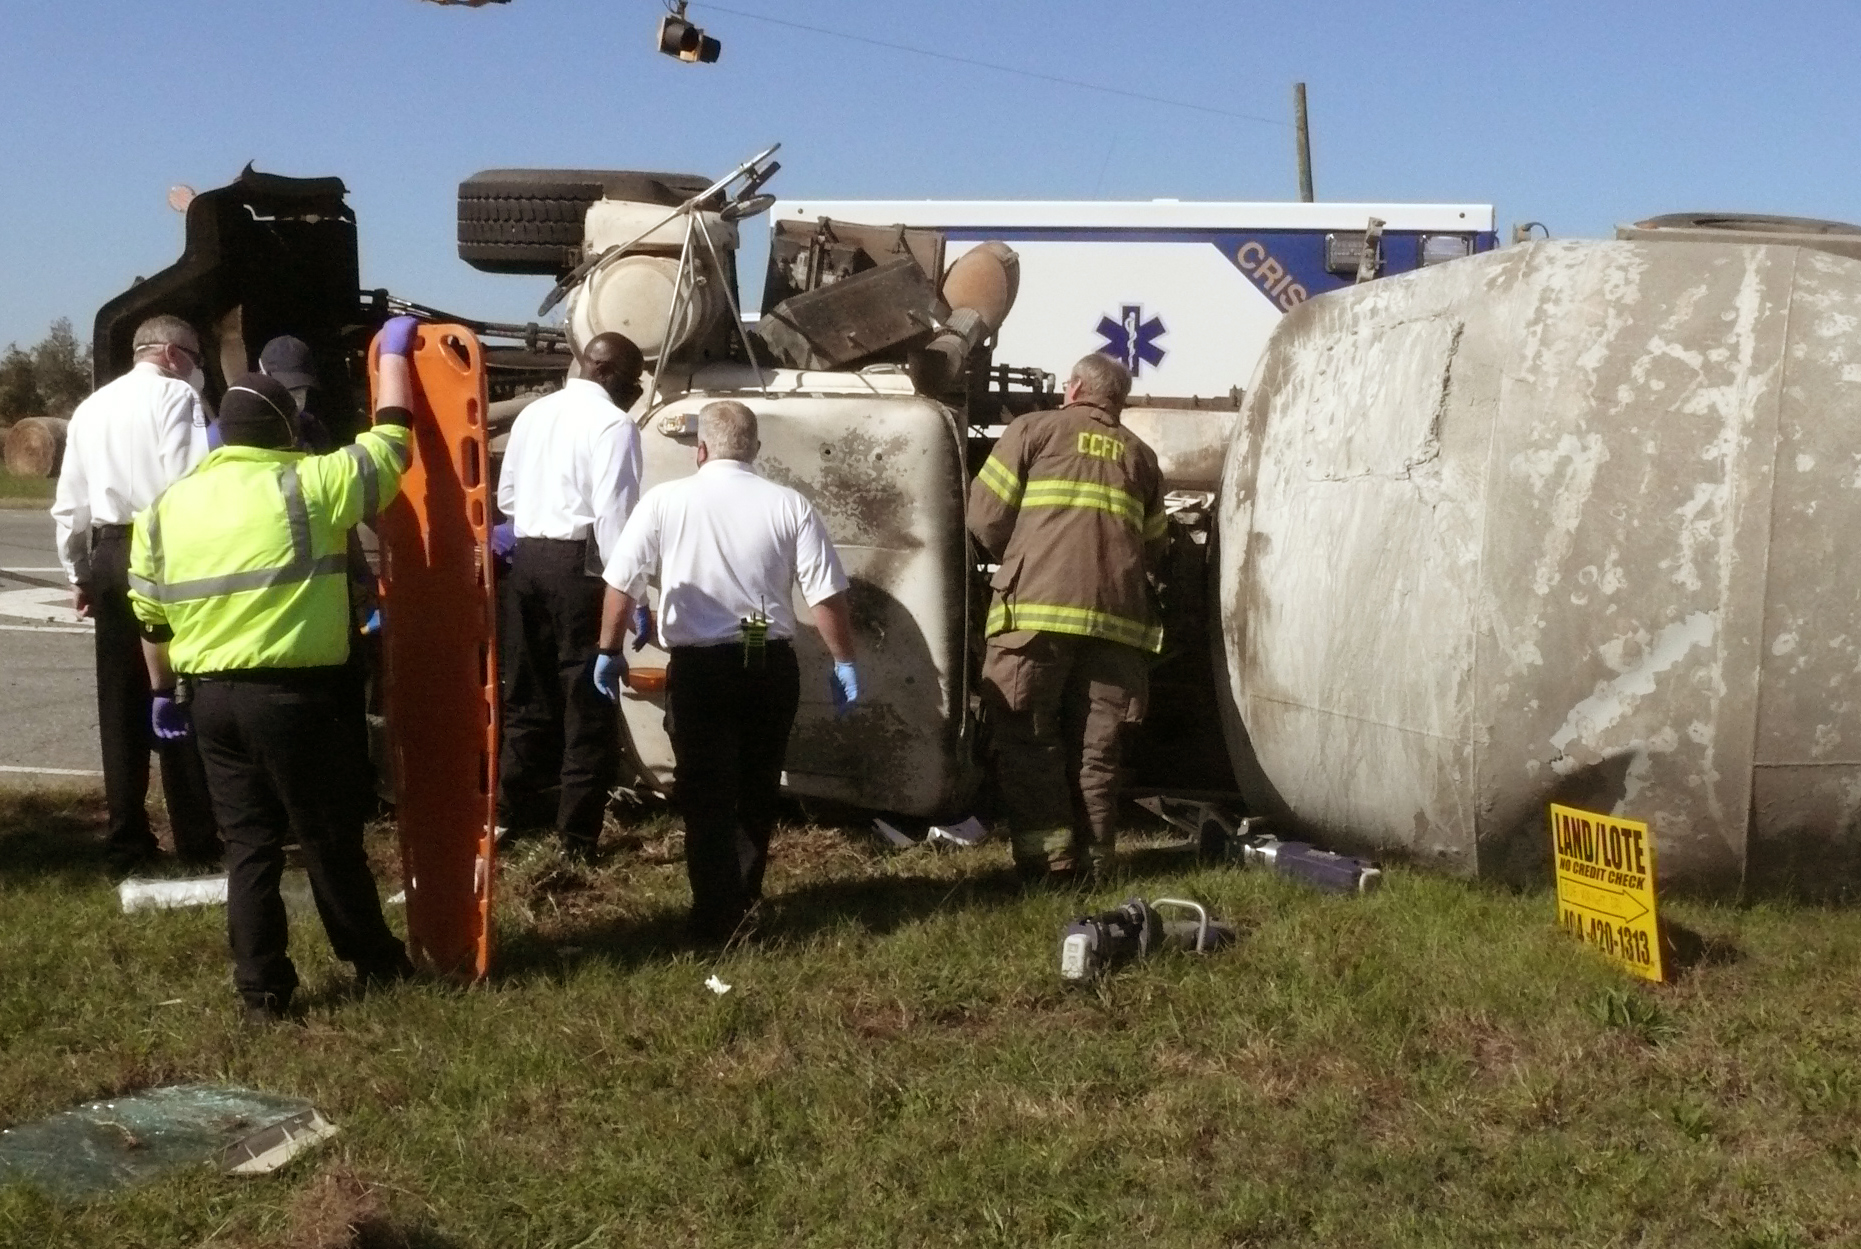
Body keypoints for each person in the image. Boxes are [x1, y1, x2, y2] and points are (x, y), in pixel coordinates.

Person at [127, 317, 424, 1022]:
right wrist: (392, 357)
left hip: (210, 703)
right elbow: (392, 442)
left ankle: (261, 991)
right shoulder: (309, 483)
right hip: (296, 698)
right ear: (287, 429)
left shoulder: (166, 508)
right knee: (327, 836)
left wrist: (162, 691)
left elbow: (149, 615)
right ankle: (374, 961)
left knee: (249, 845)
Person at [593, 400, 860, 942]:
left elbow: (622, 582)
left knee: (706, 789)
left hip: (701, 665)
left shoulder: (665, 501)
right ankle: (742, 894)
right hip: (762, 651)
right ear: (755, 449)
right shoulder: (789, 504)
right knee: (757, 783)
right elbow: (825, 594)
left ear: (700, 450)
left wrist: (609, 649)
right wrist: (844, 661)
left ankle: (715, 911)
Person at [967, 352, 1167, 885]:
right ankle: (1097, 864)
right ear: (1118, 401)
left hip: (1035, 618)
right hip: (1118, 628)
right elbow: (1155, 548)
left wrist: (1028, 557)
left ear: (1073, 388)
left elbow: (984, 518)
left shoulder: (1033, 431)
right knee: (1097, 750)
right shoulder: (1142, 458)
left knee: (1029, 739)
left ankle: (1051, 865)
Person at [50, 313, 219, 873]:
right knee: (176, 686)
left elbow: (70, 504)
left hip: (108, 551)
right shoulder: (179, 397)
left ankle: (127, 837)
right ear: (172, 353)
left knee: (119, 700)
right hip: (163, 549)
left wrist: (78, 572)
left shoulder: (90, 407)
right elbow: (189, 483)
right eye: (195, 357)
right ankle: (195, 834)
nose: (196, 368)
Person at [494, 331, 646, 859]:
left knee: (526, 697)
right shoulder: (614, 425)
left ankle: (508, 815)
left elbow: (508, 497)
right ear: (607, 371)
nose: (634, 390)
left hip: (528, 562)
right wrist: (633, 596)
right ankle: (576, 839)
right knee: (588, 702)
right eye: (632, 379)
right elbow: (615, 520)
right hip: (580, 568)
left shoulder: (533, 415)